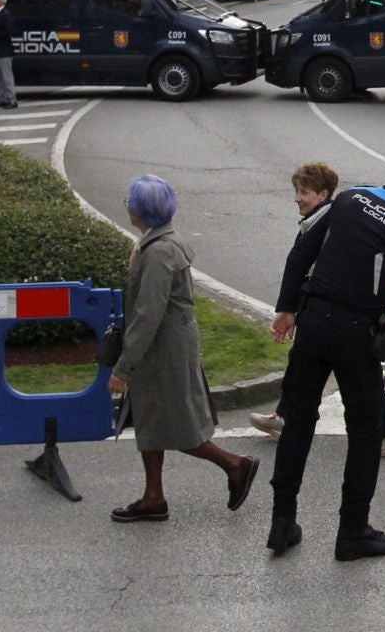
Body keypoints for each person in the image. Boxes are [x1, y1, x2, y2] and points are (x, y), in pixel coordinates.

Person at [264, 147, 385, 560]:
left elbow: (303, 251)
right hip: (355, 331)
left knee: (297, 421)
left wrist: (286, 308)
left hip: (313, 322)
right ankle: (353, 531)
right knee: (367, 431)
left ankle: (282, 522)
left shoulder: (353, 196)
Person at [107, 174, 260, 523]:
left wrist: (123, 368)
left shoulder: (159, 251)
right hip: (167, 346)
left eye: (130, 202)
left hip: (164, 351)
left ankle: (235, 465)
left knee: (177, 423)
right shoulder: (161, 242)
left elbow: (148, 313)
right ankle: (153, 496)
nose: (128, 208)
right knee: (150, 418)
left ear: (141, 209)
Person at [250, 162, 385, 458]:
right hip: (330, 313)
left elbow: (300, 263)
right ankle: (286, 416)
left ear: (323, 194)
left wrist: (288, 309)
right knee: (331, 370)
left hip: (337, 315)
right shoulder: (322, 218)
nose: (297, 198)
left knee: (359, 376)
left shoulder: (330, 219)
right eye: (297, 191)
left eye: (304, 192)